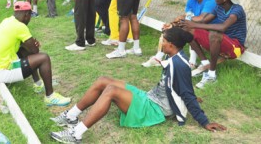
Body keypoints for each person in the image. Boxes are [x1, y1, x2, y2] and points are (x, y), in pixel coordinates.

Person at [50, 27, 226, 143]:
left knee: (111, 91)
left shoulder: (178, 64)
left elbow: (185, 92)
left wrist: (204, 121)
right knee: (104, 80)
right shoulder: (176, 56)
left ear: (171, 45)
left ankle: (76, 134)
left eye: (163, 40)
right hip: (149, 97)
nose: (160, 43)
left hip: (155, 109)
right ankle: (71, 116)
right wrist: (192, 95)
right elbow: (182, 87)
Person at [0, 1, 71, 106]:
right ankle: (50, 97)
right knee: (43, 58)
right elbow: (35, 51)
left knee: (25, 51)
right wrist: (33, 45)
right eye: (30, 15)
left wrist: (29, 45)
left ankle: (38, 84)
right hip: (2, 73)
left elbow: (25, 48)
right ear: (27, 15)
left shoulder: (7, 21)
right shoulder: (20, 27)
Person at [180, 0, 247, 89]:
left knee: (215, 33)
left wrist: (195, 24)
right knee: (188, 29)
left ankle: (212, 75)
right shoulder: (218, 7)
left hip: (235, 47)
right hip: (221, 42)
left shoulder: (237, 10)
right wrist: (183, 22)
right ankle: (205, 63)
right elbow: (203, 20)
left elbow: (223, 27)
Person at [142, 0, 216, 68]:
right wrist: (173, 23)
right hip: (193, 25)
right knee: (168, 29)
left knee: (189, 29)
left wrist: (183, 19)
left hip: (209, 30)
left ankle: (192, 62)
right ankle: (158, 58)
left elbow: (202, 19)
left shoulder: (210, 1)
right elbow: (188, 15)